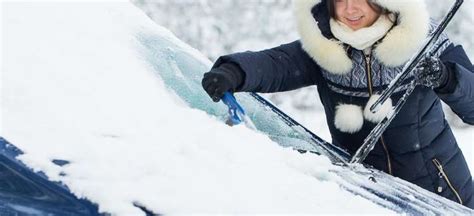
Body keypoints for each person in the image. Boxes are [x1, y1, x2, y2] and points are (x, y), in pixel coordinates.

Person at [201, 0, 473, 208]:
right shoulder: (324, 46)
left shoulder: (423, 39)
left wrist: (447, 77)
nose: (349, 9)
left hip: (442, 193)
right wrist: (233, 72)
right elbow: (277, 65)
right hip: (368, 199)